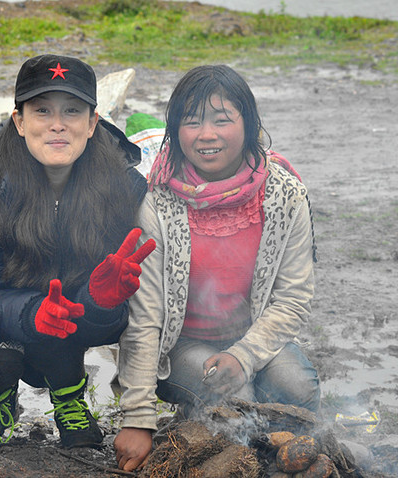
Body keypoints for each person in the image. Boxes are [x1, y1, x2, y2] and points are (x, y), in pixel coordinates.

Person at [0, 54, 156, 449]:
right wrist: (31, 313)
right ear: (19, 121)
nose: (58, 124)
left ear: (92, 123)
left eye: (72, 111)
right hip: (3, 323)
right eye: (42, 110)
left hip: (70, 321)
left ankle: (69, 394)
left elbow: (109, 321)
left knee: (74, 317)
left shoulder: (122, 187)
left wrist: (100, 301)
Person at [114, 65, 321, 471]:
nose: (206, 135)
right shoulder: (157, 203)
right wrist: (137, 417)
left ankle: (263, 439)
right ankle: (208, 425)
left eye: (222, 119)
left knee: (295, 387)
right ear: (175, 132)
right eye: (191, 123)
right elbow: (144, 318)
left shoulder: (285, 195)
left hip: (254, 334)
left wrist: (244, 353)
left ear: (249, 124)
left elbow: (293, 298)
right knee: (235, 393)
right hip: (183, 346)